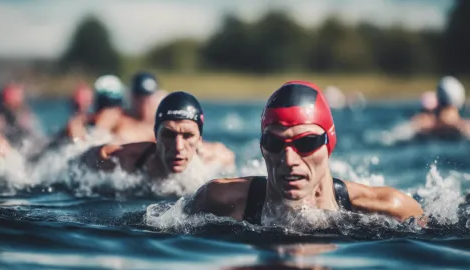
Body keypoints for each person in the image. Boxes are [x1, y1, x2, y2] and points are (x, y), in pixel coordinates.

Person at [185, 81, 424, 225]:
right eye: (275, 143)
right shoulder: (216, 198)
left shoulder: (390, 208)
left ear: (329, 144)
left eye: (307, 143)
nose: (289, 160)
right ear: (262, 147)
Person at [81, 91, 235, 178]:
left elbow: (228, 158)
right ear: (155, 135)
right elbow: (87, 158)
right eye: (169, 135)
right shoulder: (134, 158)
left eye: (188, 136)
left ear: (199, 139)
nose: (178, 147)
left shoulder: (211, 159)